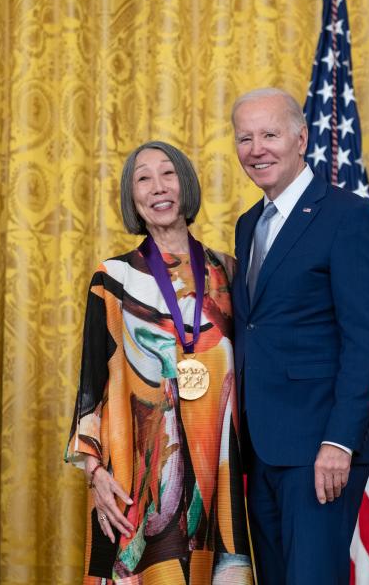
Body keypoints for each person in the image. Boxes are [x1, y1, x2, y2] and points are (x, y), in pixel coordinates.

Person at [65, 141, 253, 584]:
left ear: (185, 184)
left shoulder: (230, 272)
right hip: (139, 472)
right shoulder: (114, 277)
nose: (157, 187)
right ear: (133, 200)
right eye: (142, 179)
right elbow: (92, 380)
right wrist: (94, 472)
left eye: (167, 173)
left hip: (222, 473)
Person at [231, 87, 369, 584]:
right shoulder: (247, 224)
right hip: (260, 446)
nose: (257, 149)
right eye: (245, 138)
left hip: (320, 449)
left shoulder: (347, 216)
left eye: (270, 134)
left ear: (301, 138)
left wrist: (339, 443)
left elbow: (365, 340)